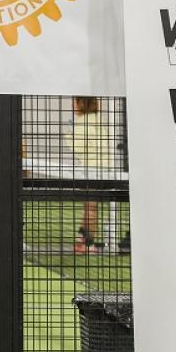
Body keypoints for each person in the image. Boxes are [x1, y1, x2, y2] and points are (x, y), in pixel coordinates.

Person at [66, 96, 113, 254]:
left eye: (75, 102)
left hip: (91, 170)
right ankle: (83, 239)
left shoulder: (82, 122)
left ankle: (88, 243)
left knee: (90, 207)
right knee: (90, 206)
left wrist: (68, 134)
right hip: (104, 169)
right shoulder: (98, 119)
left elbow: (77, 148)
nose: (73, 105)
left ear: (81, 104)